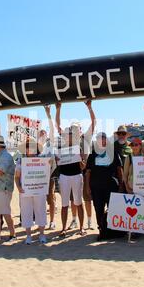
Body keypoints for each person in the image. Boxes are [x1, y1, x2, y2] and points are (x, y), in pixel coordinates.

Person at [55, 101, 96, 237]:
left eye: (76, 128)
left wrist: (89, 107)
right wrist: (58, 109)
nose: (73, 131)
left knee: (79, 202)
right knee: (65, 204)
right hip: (64, 176)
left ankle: (81, 228)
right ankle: (64, 228)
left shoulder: (84, 139)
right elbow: (57, 125)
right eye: (71, 129)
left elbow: (93, 122)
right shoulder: (65, 140)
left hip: (78, 174)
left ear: (79, 129)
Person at [85, 132, 122, 241]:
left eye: (103, 138)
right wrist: (87, 187)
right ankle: (101, 230)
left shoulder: (113, 153)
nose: (101, 140)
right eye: (98, 138)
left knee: (113, 210)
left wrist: (121, 185)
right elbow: (88, 172)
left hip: (111, 187)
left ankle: (112, 231)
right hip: (96, 187)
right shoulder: (92, 155)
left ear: (106, 140)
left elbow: (119, 170)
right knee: (99, 209)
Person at [15, 137, 51, 245]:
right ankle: (28, 236)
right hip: (25, 191)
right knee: (26, 212)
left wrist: (50, 162)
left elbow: (48, 171)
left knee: (41, 210)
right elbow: (17, 177)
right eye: (28, 147)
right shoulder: (21, 160)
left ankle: (42, 234)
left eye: (32, 147)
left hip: (39, 190)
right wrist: (19, 187)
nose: (30, 149)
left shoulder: (43, 159)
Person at [39, 106, 58, 230]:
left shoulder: (50, 144)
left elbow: (52, 127)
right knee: (41, 199)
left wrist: (48, 113)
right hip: (39, 177)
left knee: (50, 197)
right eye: (40, 133)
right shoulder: (38, 147)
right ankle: (41, 221)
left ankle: (52, 221)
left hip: (50, 175)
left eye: (43, 132)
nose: (42, 134)